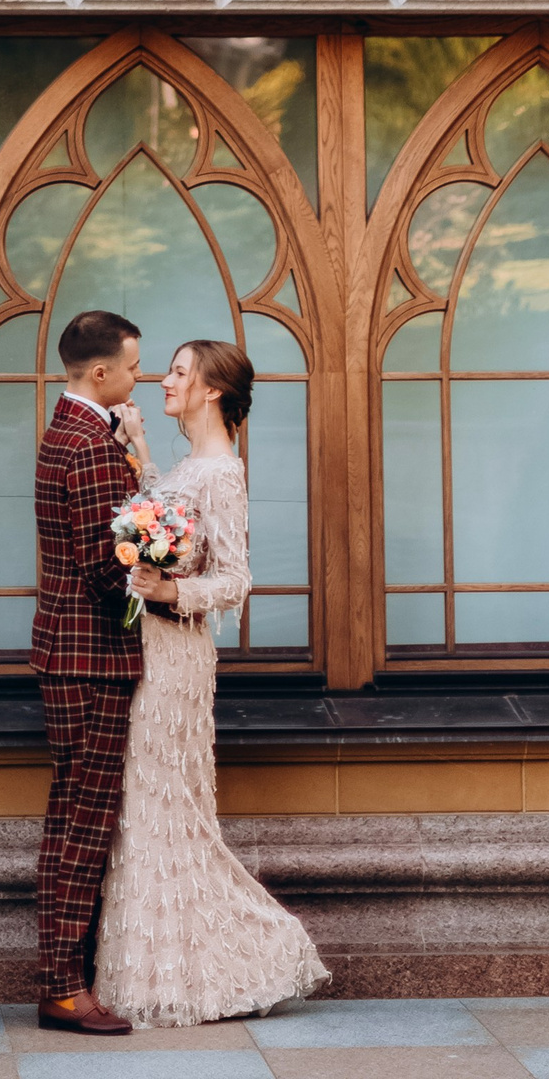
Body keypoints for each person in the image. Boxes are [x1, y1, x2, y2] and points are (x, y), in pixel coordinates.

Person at [94, 339, 330, 1028]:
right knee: (146, 809)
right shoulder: (192, 466)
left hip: (175, 661)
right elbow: (165, 516)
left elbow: (235, 579)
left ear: (212, 390)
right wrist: (139, 449)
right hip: (146, 649)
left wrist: (170, 591)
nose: (164, 381)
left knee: (165, 807)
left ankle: (263, 951)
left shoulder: (223, 473)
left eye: (178, 372)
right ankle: (163, 975)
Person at [29, 306, 147, 1036]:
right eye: (133, 367)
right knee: (83, 823)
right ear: (100, 372)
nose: (140, 377)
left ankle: (64, 981)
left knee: (69, 816)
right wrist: (163, 572)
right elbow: (108, 569)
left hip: (64, 651)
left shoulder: (65, 431)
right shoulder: (93, 446)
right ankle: (64, 989)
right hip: (92, 659)